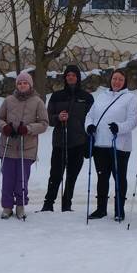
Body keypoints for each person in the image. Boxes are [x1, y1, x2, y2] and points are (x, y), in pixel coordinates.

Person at [85, 69, 137, 221]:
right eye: (115, 79)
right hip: (100, 144)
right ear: (110, 80)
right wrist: (89, 126)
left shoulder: (129, 98)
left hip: (119, 145)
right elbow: (90, 115)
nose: (117, 82)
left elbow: (132, 121)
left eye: (120, 79)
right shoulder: (102, 96)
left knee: (119, 177)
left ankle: (119, 210)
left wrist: (119, 127)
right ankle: (101, 209)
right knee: (102, 177)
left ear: (125, 82)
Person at [0, 71, 48, 219]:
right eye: (20, 83)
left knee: (22, 179)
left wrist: (29, 129)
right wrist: (4, 127)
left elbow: (44, 123)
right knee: (8, 178)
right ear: (16, 85)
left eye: (25, 83)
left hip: (27, 147)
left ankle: (20, 205)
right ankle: (7, 206)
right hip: (8, 146)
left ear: (30, 85)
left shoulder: (38, 101)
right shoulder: (8, 100)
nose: (22, 85)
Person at [41, 64, 93, 212]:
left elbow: (91, 120)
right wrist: (58, 117)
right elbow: (47, 118)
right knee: (55, 175)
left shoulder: (86, 98)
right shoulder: (56, 96)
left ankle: (67, 204)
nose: (71, 77)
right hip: (60, 142)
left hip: (78, 142)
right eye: (68, 75)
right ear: (65, 78)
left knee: (72, 176)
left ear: (78, 78)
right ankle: (48, 203)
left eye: (73, 75)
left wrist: (89, 141)